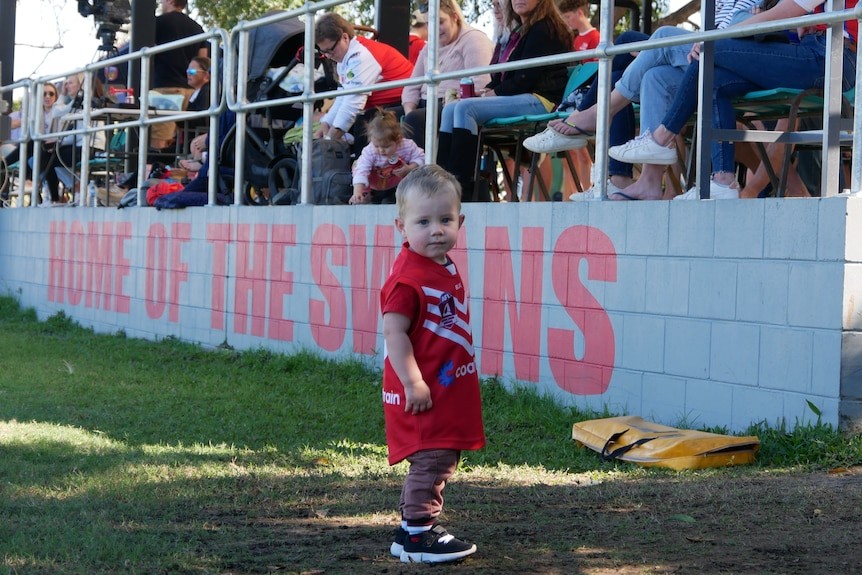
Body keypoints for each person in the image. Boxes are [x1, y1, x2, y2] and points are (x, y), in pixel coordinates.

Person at [607, 0, 857, 200]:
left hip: (828, 58)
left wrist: (718, 37)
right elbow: (794, 15)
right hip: (816, 52)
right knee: (709, 74)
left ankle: (660, 137)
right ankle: (723, 180)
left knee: (705, 48)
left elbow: (786, 10)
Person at [524, 0, 761, 199]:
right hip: (707, 51)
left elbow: (746, 26)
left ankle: (592, 114)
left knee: (655, 38)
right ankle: (647, 181)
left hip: (735, 54)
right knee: (652, 76)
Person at [381, 164, 485, 564]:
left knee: (443, 455)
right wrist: (413, 383)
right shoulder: (408, 279)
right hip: (422, 389)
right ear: (401, 226)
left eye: (445, 219)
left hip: (444, 386)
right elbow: (395, 334)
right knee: (433, 457)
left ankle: (410, 529)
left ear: (460, 221)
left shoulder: (441, 264)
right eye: (423, 221)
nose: (436, 229)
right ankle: (419, 536)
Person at [437, 0, 572, 201]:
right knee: (451, 109)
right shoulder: (521, 31)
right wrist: (486, 91)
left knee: (465, 109)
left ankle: (461, 187)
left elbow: (525, 79)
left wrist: (491, 94)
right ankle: (440, 183)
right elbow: (506, 78)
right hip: (524, 96)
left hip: (542, 100)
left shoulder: (544, 28)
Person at [401, 0, 494, 148]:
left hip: (450, 104)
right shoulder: (429, 47)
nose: (435, 29)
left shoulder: (473, 39)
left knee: (415, 121)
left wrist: (411, 117)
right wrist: (409, 111)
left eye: (440, 21)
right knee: (377, 117)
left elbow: (482, 82)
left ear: (455, 17)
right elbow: (412, 85)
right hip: (423, 104)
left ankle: (422, 171)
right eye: (429, 24)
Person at [314, 13, 413, 151]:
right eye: (325, 52)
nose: (329, 56)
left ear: (344, 37)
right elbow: (344, 96)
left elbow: (353, 102)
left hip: (403, 102)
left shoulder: (361, 56)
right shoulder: (346, 56)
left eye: (331, 50)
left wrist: (329, 140)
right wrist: (326, 123)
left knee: (362, 121)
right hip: (388, 103)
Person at [150, 0, 208, 150]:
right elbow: (203, 59)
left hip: (165, 89)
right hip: (190, 91)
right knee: (186, 139)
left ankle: (155, 170)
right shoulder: (197, 27)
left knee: (159, 139)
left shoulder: (158, 22)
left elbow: (147, 53)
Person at [350, 110, 425, 204]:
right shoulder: (370, 151)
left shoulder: (407, 145)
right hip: (375, 179)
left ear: (398, 140)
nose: (381, 150)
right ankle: (365, 195)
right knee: (358, 165)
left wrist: (410, 168)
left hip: (397, 177)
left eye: (386, 146)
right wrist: (357, 192)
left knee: (417, 172)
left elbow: (421, 158)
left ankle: (404, 196)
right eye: (377, 146)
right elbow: (362, 171)